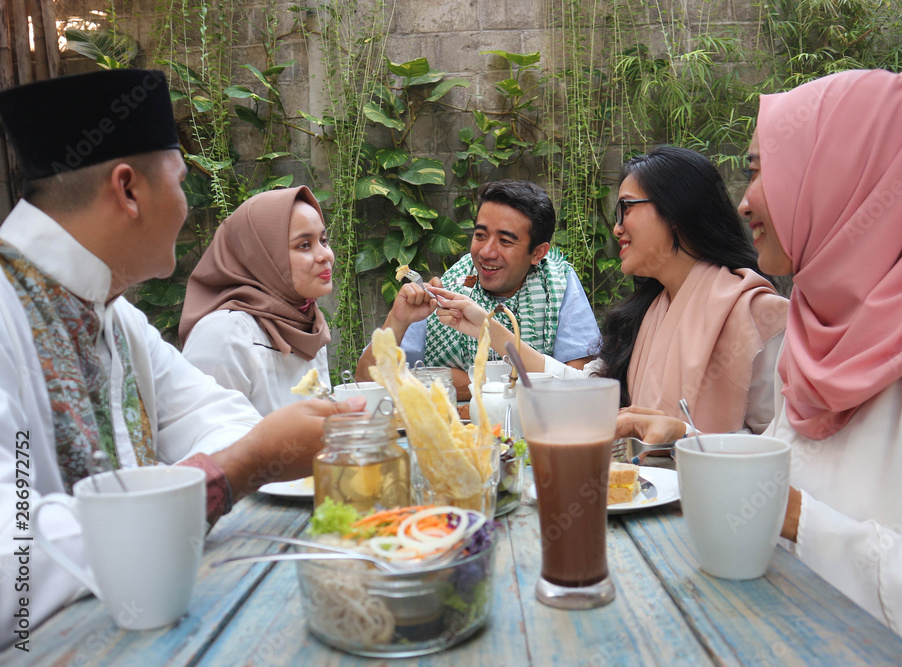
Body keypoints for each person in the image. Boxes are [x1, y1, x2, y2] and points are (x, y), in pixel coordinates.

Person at [624, 69, 902, 665]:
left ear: (847, 175)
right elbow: (788, 477)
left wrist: (800, 519)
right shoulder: (815, 332)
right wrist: (692, 442)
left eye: (761, 168)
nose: (745, 199)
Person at [0, 69, 361, 645]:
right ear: (128, 189)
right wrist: (234, 469)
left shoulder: (117, 320)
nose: (189, 206)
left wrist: (249, 451)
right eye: (181, 181)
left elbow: (216, 415)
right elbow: (12, 563)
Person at [433, 146, 788, 434]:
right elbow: (587, 387)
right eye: (480, 235)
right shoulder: (651, 311)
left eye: (626, 209)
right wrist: (486, 328)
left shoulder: (757, 315)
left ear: (677, 211)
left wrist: (683, 437)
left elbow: (780, 449)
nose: (617, 228)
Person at [354, 180, 601, 400]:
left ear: (538, 252)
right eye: (481, 235)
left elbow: (579, 388)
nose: (486, 252)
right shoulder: (444, 293)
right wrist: (397, 320)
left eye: (505, 241)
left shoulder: (558, 285)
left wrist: (469, 381)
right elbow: (365, 381)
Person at [179, 186, 334, 415]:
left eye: (323, 240)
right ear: (262, 256)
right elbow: (204, 439)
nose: (324, 255)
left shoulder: (307, 324)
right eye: (304, 245)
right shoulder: (225, 334)